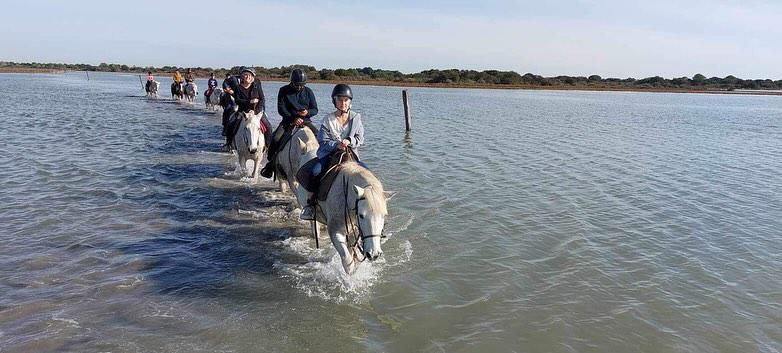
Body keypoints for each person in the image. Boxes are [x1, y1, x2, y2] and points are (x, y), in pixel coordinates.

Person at [300, 84, 365, 220]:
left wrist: (349, 140)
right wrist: (337, 145)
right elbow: (323, 141)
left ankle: (373, 209)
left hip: (350, 154)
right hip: (330, 155)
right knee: (314, 172)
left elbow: (360, 138)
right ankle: (310, 205)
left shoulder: (356, 118)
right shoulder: (328, 120)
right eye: (340, 100)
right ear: (335, 101)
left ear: (350, 102)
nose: (343, 103)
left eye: (346, 100)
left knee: (369, 175)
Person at [260, 68, 318, 178]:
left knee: (320, 137)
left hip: (305, 121)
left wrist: (307, 113)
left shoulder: (309, 91)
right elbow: (281, 109)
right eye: (297, 85)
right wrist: (293, 118)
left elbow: (315, 109)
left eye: (302, 85)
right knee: (276, 139)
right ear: (292, 82)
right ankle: (270, 165)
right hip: (288, 121)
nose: (300, 87)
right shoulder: (283, 90)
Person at [227, 67, 271, 149]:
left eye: (250, 75)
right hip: (243, 112)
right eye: (246, 75)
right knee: (230, 124)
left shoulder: (256, 86)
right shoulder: (238, 88)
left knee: (268, 126)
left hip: (256, 112)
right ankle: (229, 144)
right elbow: (237, 101)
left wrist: (257, 111)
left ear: (253, 77)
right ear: (242, 77)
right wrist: (249, 102)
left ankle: (268, 147)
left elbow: (262, 99)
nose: (248, 77)